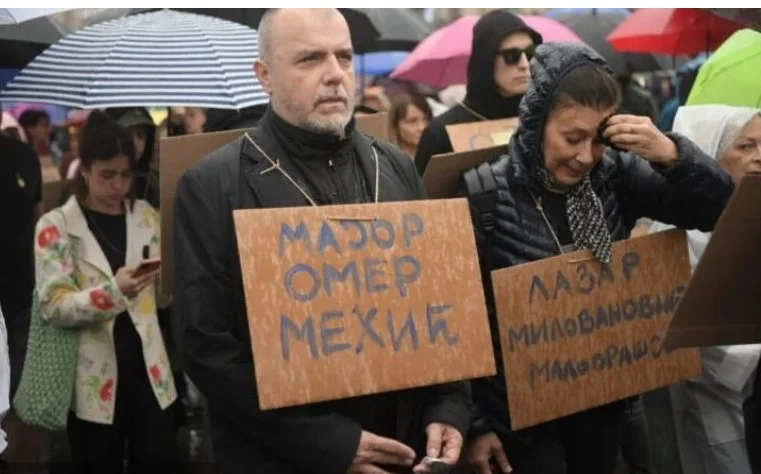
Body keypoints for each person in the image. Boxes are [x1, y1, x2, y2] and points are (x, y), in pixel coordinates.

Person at [172, 8, 471, 474]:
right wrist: (332, 443)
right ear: (264, 76)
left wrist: (448, 408)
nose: (335, 75)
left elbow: (439, 305)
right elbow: (207, 348)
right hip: (283, 458)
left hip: (403, 449)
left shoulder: (395, 166)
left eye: (344, 57)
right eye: (310, 59)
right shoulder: (211, 185)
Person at [459, 42, 734, 474]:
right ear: (536, 123)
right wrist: (475, 425)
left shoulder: (615, 175)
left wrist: (673, 156)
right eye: (572, 138)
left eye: (598, 140)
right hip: (519, 425)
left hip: (602, 409)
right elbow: (459, 322)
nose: (585, 156)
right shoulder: (483, 194)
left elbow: (717, 210)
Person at [31, 111, 178, 473]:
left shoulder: (146, 216)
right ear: (85, 171)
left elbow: (163, 298)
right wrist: (115, 290)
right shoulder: (56, 227)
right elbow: (54, 306)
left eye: (126, 175)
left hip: (152, 375)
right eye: (107, 175)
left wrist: (166, 279)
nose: (118, 185)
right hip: (93, 382)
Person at [649, 105, 761, 474]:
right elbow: (698, 340)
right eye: (744, 146)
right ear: (710, 152)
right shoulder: (677, 237)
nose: (758, 157)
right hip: (718, 403)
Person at [414, 10, 542, 175]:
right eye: (512, 56)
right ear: (486, 60)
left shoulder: (542, 120)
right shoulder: (441, 133)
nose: (525, 64)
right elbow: (422, 198)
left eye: (531, 53)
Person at [0, 108, 44, 474]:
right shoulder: (24, 157)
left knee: (17, 398)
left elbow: (38, 219)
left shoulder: (23, 157)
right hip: (16, 295)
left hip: (18, 297)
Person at [388, 92, 433, 160]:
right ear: (396, 125)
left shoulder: (438, 154)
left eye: (426, 120)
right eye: (412, 121)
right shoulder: (388, 160)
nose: (422, 128)